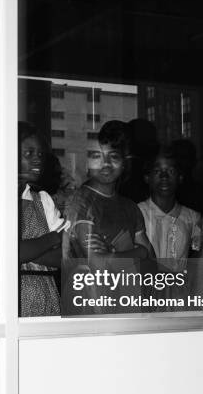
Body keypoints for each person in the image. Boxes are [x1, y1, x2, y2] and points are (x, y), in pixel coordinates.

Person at [0, 124, 66, 318]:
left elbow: (66, 257)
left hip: (45, 296)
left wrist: (20, 251)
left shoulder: (43, 199)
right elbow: (7, 252)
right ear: (6, 156)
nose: (37, 158)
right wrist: (53, 238)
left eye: (39, 154)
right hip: (1, 295)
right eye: (28, 153)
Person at [64, 121, 154, 314]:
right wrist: (138, 253)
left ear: (124, 162)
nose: (105, 164)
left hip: (128, 304)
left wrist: (114, 256)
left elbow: (151, 264)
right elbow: (97, 264)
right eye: (97, 156)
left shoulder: (130, 207)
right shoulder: (81, 201)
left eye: (113, 156)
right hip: (90, 306)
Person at [137, 147, 201, 273]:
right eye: (157, 171)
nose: (164, 176)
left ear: (180, 177)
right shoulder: (137, 212)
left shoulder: (193, 218)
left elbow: (199, 258)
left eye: (171, 171)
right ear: (147, 178)